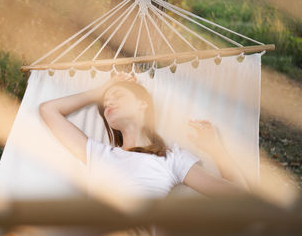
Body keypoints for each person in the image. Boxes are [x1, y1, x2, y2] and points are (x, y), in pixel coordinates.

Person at [39, 72, 250, 235]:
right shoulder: (98, 153)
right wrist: (99, 91)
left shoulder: (171, 157)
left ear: (143, 104)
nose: (108, 104)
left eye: (117, 96)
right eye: (105, 103)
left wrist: (216, 149)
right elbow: (49, 110)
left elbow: (240, 197)